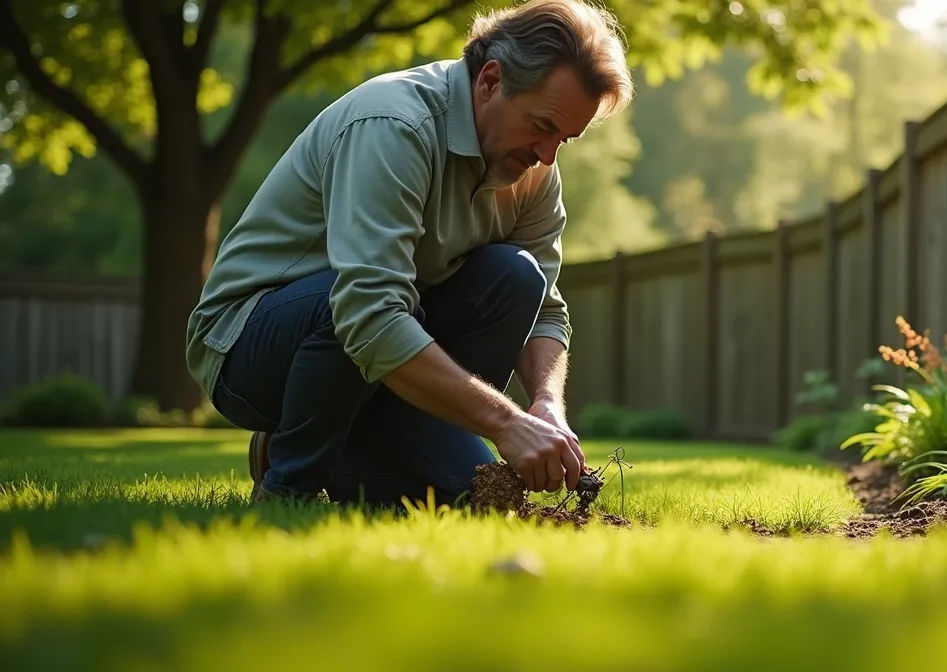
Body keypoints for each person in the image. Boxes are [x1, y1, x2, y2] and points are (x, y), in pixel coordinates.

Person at [184, 0, 634, 507]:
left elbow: (545, 312)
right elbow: (368, 312)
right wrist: (507, 423)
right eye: (543, 126)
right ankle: (290, 484)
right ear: (489, 81)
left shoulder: (533, 169)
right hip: (249, 348)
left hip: (376, 358)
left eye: (565, 139)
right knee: (357, 302)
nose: (547, 155)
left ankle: (337, 441)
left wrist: (547, 406)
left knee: (470, 492)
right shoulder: (394, 125)